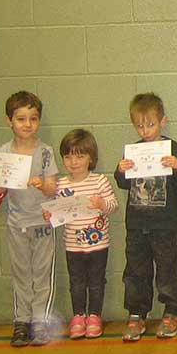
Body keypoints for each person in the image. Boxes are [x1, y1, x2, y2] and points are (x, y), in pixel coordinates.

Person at [0, 91, 58, 346]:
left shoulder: (46, 152)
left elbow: (52, 188)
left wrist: (41, 185)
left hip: (42, 223)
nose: (27, 124)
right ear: (9, 121)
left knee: (42, 274)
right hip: (16, 225)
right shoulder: (4, 152)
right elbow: (0, 190)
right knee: (21, 274)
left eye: (33, 119)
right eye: (21, 119)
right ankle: (22, 321)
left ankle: (40, 321)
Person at [114, 93, 177, 341]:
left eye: (150, 124)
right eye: (139, 125)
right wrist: (121, 170)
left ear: (163, 122)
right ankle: (137, 314)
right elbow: (123, 183)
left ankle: (173, 311)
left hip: (165, 223)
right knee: (136, 271)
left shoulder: (171, 147)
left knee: (168, 268)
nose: (145, 130)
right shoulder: (134, 150)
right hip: (137, 223)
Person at [44, 129, 119, 339]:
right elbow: (56, 213)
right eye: (68, 156)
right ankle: (78, 316)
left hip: (98, 244)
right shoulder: (61, 185)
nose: (73, 162)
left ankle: (94, 316)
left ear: (91, 158)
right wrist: (49, 214)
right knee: (76, 282)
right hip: (73, 246)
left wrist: (102, 204)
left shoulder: (100, 181)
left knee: (96, 281)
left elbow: (113, 205)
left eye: (80, 156)